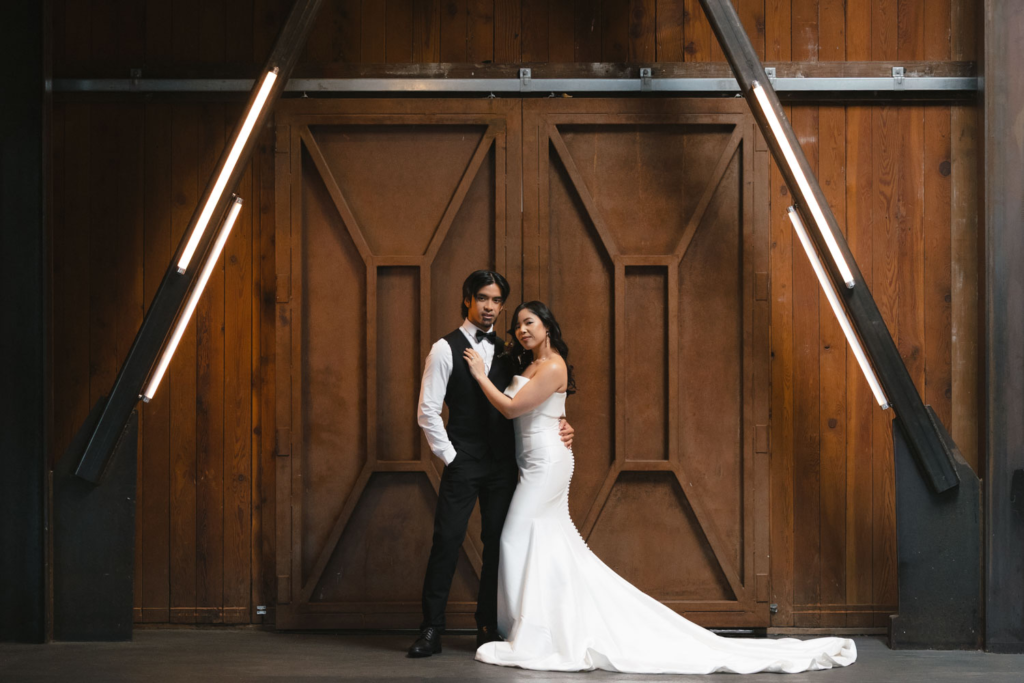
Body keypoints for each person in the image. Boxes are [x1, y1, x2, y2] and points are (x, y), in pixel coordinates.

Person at [463, 300, 858, 674]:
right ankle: (542, 624)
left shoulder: (552, 366)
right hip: (534, 461)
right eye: (517, 324)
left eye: (529, 321)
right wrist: (563, 420)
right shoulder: (529, 364)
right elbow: (542, 410)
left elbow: (513, 408)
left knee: (516, 538)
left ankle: (536, 632)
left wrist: (480, 375)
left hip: (547, 463)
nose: (521, 329)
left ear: (547, 325)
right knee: (542, 542)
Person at [408, 272, 574, 658]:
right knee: (447, 542)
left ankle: (487, 627)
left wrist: (562, 422)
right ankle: (431, 629)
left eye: (496, 301)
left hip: (503, 466)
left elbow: (537, 397)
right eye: (482, 298)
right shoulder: (444, 349)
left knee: (498, 546)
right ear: (467, 299)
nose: (489, 307)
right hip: (464, 460)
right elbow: (428, 412)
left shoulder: (509, 350)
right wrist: (452, 456)